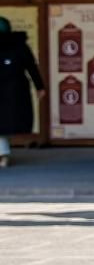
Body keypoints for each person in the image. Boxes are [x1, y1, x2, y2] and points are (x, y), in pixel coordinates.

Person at [0, 17, 46, 169]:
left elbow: (31, 67)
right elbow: (31, 67)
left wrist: (40, 87)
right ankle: (3, 156)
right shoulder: (20, 46)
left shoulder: (18, 46)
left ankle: (3, 155)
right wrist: (40, 87)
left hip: (11, 91)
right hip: (14, 92)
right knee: (3, 126)